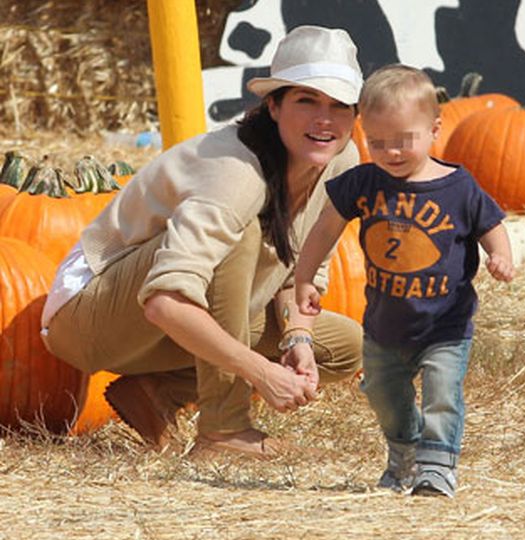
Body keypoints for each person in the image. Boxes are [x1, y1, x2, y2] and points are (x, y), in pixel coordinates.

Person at [39, 26, 365, 458]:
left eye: (339, 105)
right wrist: (261, 373)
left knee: (346, 346)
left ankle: (157, 392)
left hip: (170, 324)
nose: (325, 119)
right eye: (307, 100)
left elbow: (300, 274)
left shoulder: (341, 163)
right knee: (241, 235)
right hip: (90, 318)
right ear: (273, 105)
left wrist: (298, 339)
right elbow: (164, 300)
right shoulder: (235, 173)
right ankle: (223, 430)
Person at [294, 64, 515, 497]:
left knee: (441, 397)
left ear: (434, 129)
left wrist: (500, 255)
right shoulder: (364, 182)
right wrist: (305, 278)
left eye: (402, 141)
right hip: (383, 327)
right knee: (383, 396)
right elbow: (324, 228)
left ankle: (436, 469)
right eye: (377, 142)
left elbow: (491, 224)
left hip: (444, 327)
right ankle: (404, 454)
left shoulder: (458, 187)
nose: (391, 152)